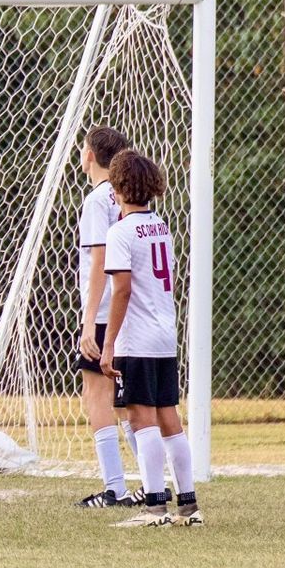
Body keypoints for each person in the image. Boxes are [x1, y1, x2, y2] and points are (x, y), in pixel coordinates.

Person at [98, 150, 199, 528]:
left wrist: (108, 344)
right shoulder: (160, 226)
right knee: (169, 418)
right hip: (163, 336)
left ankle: (156, 506)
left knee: (142, 419)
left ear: (118, 188)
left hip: (136, 339)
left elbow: (121, 290)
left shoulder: (120, 232)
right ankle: (188, 504)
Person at [72, 125, 139, 508]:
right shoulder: (128, 198)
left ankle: (114, 487)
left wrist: (87, 321)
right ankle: (151, 482)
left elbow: (99, 261)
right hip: (128, 309)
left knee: (97, 394)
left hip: (102, 310)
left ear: (90, 156)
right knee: (129, 401)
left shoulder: (97, 201)